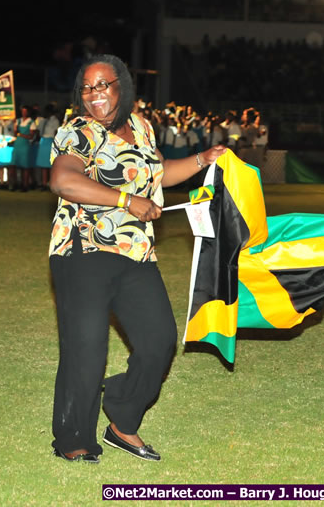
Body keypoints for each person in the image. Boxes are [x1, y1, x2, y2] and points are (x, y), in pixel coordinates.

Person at [48, 54, 226, 463]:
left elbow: (157, 172)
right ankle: (74, 438)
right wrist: (128, 201)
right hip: (83, 250)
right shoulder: (78, 131)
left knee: (159, 341)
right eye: (87, 87)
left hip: (136, 252)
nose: (95, 94)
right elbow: (63, 180)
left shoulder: (143, 128)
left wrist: (202, 160)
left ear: (122, 86)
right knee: (86, 349)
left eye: (103, 85)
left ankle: (122, 419)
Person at [35, 103, 60, 190]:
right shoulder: (43, 120)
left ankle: (50, 183)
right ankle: (44, 183)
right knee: (43, 164)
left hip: (50, 141)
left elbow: (56, 133)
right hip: (43, 141)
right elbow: (38, 131)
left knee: (50, 164)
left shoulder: (55, 121)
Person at [13, 106, 37, 191]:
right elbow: (15, 132)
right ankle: (17, 183)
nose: (24, 113)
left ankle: (25, 185)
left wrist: (20, 134)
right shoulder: (18, 121)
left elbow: (31, 136)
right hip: (18, 144)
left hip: (25, 145)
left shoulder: (31, 122)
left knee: (25, 166)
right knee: (16, 165)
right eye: (23, 111)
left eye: (25, 111)